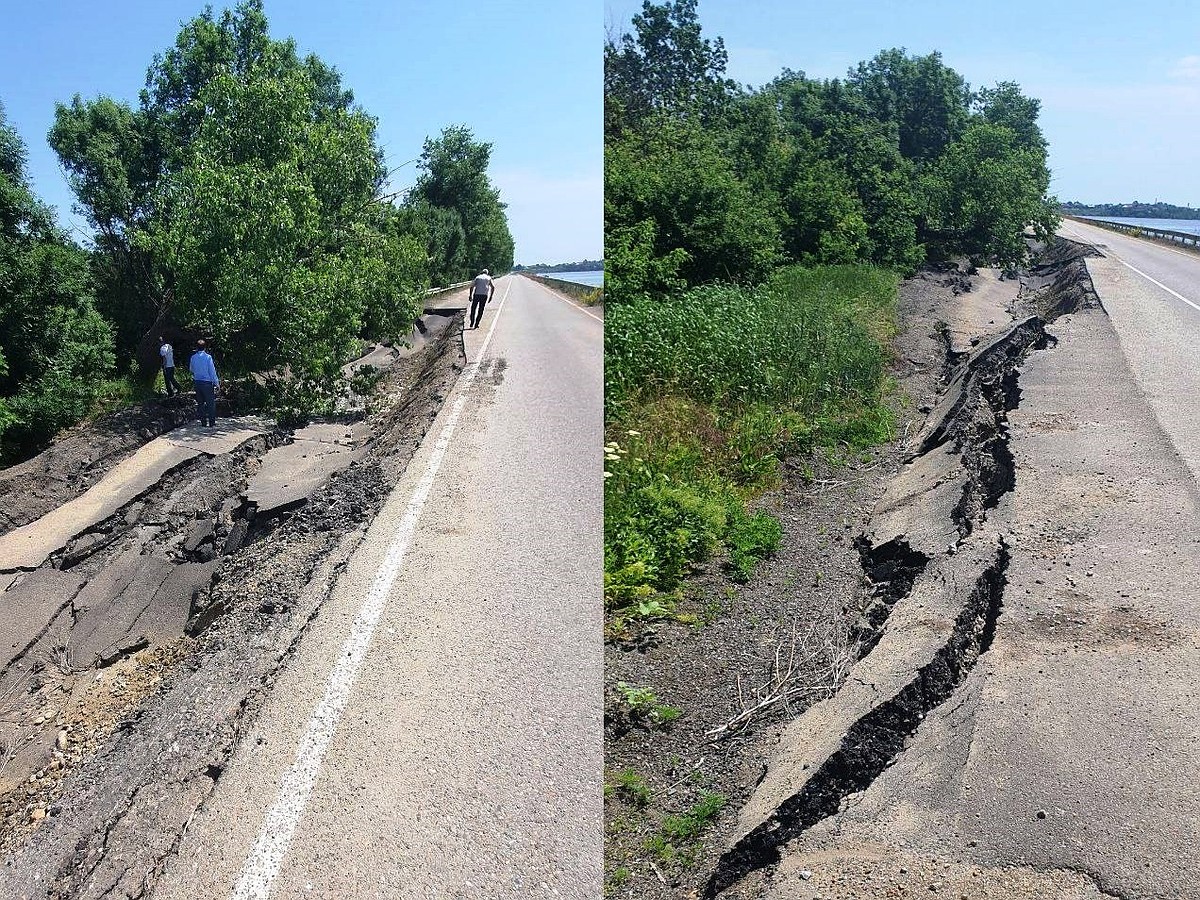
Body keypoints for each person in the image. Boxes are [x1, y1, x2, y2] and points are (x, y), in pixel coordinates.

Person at [189, 339, 220, 428]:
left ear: (196, 348)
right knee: (210, 403)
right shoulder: (208, 357)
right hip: (207, 383)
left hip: (197, 382)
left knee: (200, 403)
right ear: (205, 347)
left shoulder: (193, 357)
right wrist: (217, 383)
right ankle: (211, 422)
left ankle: (203, 422)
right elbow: (212, 371)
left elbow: (191, 369)